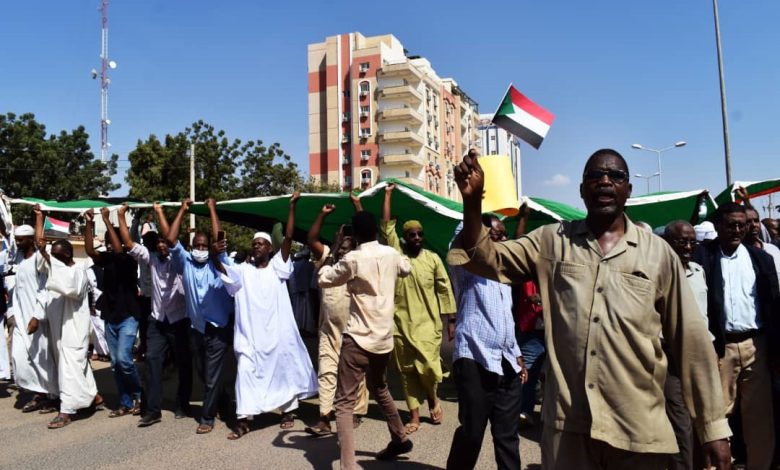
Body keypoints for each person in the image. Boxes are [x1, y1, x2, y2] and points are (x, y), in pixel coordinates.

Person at [448, 149, 731, 469]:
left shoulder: (658, 254)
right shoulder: (552, 243)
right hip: (570, 431)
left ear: (628, 189)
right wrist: (472, 204)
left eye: (616, 176)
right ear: (582, 190)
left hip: (638, 431)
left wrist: (713, 430)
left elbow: (690, 341)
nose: (605, 181)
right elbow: (487, 258)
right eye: (595, 176)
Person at [212, 193, 317, 439]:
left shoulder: (279, 268)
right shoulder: (242, 272)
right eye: (254, 243)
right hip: (251, 339)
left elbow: (289, 238)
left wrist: (292, 207)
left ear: (270, 249)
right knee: (246, 373)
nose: (256, 246)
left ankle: (288, 411)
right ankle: (243, 419)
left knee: (284, 371)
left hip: (278, 336)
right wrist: (215, 254)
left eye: (261, 243)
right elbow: (221, 267)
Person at [318, 210, 413, 469]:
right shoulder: (392, 254)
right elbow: (406, 267)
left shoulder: (353, 258)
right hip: (383, 339)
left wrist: (335, 248)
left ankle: (348, 465)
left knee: (344, 403)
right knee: (379, 387)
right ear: (377, 231)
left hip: (358, 338)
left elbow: (324, 279)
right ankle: (400, 437)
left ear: (356, 234)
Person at [694, 202, 778, 470]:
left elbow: (773, 304)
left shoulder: (760, 259)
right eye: (731, 225)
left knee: (759, 420)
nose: (738, 230)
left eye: (742, 224)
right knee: (716, 418)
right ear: (718, 226)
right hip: (721, 349)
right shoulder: (702, 257)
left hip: (757, 346)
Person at [446, 215, 528, 470]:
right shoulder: (466, 266)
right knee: (472, 432)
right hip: (474, 357)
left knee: (507, 437)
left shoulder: (503, 274)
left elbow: (505, 319)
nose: (502, 239)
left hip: (506, 362)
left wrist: (517, 356)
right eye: (496, 235)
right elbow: (463, 232)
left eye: (504, 235)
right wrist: (475, 207)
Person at [380, 183, 456, 433]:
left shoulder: (433, 259)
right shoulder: (396, 255)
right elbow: (387, 225)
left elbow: (444, 288)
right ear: (405, 237)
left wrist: (451, 320)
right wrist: (388, 195)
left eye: (419, 234)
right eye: (411, 234)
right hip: (400, 324)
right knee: (407, 371)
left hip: (429, 325)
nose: (416, 238)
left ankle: (433, 398)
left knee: (430, 368)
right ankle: (413, 415)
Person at [117, 202, 192, 427]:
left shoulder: (181, 260)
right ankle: (153, 410)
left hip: (179, 321)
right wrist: (121, 216)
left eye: (164, 243)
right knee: (152, 362)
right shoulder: (151, 260)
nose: (162, 246)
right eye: (158, 243)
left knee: (184, 364)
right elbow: (129, 243)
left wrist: (162, 212)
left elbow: (171, 240)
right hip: (157, 320)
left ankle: (182, 404)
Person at [166, 198, 235, 435]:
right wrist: (182, 210)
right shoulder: (184, 262)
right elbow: (170, 240)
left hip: (218, 328)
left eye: (205, 246)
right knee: (204, 373)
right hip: (196, 328)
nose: (201, 249)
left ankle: (207, 418)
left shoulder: (219, 262)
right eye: (197, 245)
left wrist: (212, 210)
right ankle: (224, 403)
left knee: (212, 375)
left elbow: (219, 241)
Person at [304, 196, 369, 437]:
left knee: (355, 373)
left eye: (346, 248)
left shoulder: (360, 261)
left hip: (355, 329)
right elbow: (311, 239)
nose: (342, 251)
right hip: (328, 330)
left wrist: (358, 207)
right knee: (327, 370)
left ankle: (355, 412)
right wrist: (322, 215)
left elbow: (371, 239)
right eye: (340, 247)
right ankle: (324, 417)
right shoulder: (328, 259)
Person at [32, 205, 100, 428]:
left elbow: (69, 286)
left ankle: (66, 411)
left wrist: (46, 255)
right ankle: (94, 397)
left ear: (67, 255)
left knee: (70, 370)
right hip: (59, 330)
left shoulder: (78, 273)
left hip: (74, 331)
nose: (52, 260)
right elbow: (40, 249)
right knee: (76, 368)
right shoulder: (55, 268)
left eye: (56, 256)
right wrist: (39, 218)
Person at [662, 220, 711, 470]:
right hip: (671, 359)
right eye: (682, 241)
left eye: (692, 241)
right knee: (680, 422)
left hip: (701, 358)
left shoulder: (698, 270)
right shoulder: (659, 273)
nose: (688, 246)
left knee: (703, 420)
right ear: (668, 242)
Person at [85, 208, 143, 418]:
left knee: (125, 360)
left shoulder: (129, 259)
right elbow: (90, 250)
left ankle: (138, 396)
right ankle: (125, 402)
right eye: (108, 239)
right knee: (115, 364)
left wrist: (108, 220)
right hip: (110, 317)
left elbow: (119, 250)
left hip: (128, 316)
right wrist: (90, 224)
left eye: (113, 239)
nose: (110, 243)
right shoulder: (106, 259)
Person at [7, 223, 57, 412]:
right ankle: (39, 391)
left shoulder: (38, 258)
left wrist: (37, 316)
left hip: (37, 318)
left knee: (42, 359)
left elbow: (45, 288)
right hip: (20, 317)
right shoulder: (19, 258)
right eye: (17, 240)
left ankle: (50, 396)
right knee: (19, 359)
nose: (18, 243)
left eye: (21, 240)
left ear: (30, 239)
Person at [511, 203, 546, 428]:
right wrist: (523, 217)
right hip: (531, 331)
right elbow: (517, 245)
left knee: (551, 374)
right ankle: (522, 411)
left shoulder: (553, 271)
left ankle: (547, 411)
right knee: (528, 372)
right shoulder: (524, 272)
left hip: (554, 332)